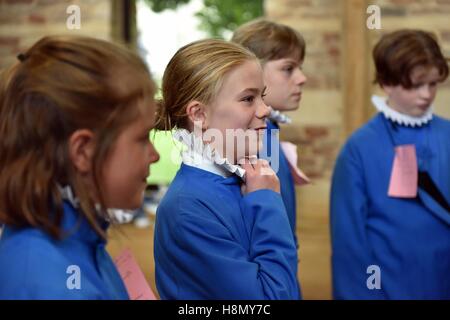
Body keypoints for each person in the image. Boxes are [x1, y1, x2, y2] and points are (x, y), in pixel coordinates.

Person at [0, 35, 160, 299]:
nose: (154, 156)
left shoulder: (77, 238)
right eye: (142, 138)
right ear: (83, 150)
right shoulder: (51, 285)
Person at [154, 39, 300, 299]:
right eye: (248, 98)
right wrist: (266, 202)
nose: (265, 109)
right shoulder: (188, 208)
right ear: (198, 114)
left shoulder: (244, 177)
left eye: (262, 96)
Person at [330, 29, 450, 299]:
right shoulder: (358, 148)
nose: (426, 94)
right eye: (415, 85)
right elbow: (349, 244)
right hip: (391, 286)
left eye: (433, 84)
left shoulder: (448, 134)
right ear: (386, 83)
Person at [232, 19, 308, 252]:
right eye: (288, 68)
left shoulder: (269, 132)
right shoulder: (255, 140)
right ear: (251, 73)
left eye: (300, 67)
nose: (302, 78)